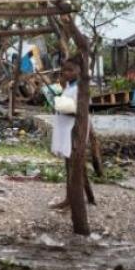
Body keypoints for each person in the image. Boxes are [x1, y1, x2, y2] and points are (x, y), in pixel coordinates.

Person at [49, 56, 88, 210]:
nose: (67, 73)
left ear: (79, 70)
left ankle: (74, 199)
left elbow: (80, 111)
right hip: (65, 129)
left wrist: (62, 106)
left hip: (74, 130)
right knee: (68, 165)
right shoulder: (69, 87)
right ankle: (68, 198)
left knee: (73, 167)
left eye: (70, 70)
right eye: (64, 70)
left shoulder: (80, 88)